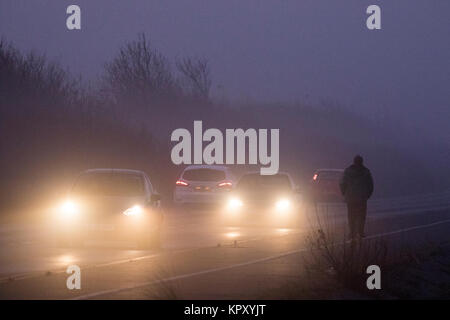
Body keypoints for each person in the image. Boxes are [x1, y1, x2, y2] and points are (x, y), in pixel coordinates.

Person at [340, 155, 374, 242]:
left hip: (350, 197)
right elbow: (370, 185)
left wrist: (344, 193)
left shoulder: (347, 171)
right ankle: (361, 232)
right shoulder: (366, 172)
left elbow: (342, 183)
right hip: (362, 198)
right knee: (361, 216)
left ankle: (352, 232)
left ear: (354, 161)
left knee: (351, 216)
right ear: (362, 162)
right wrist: (368, 195)